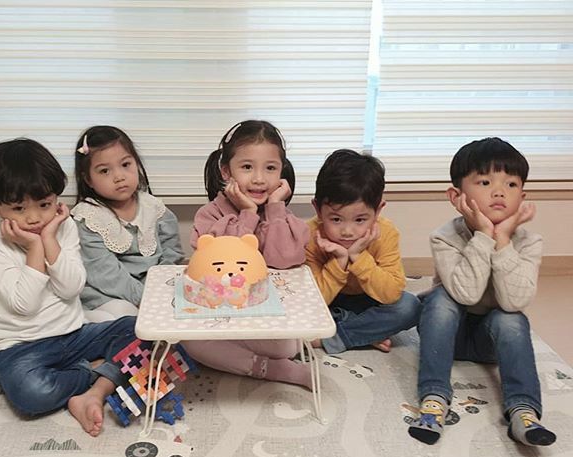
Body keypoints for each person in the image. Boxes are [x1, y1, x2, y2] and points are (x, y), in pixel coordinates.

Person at [0, 138, 140, 437]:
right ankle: (96, 370)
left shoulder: (63, 229)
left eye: (44, 204)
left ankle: (94, 392)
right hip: (22, 348)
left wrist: (50, 239)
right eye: (18, 208)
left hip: (74, 333)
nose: (35, 217)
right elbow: (23, 304)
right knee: (31, 394)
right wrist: (34, 247)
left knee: (142, 332)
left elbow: (70, 289)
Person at [408, 137, 556, 447]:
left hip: (491, 344)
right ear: (457, 195)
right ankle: (434, 399)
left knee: (511, 318)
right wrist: (483, 236)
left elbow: (514, 301)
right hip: (449, 336)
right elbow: (465, 294)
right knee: (440, 299)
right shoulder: (445, 237)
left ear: (523, 195)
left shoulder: (529, 242)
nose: (500, 191)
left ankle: (523, 410)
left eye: (511, 184)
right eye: (485, 181)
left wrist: (502, 239)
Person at [183, 120, 313, 389]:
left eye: (270, 168)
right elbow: (222, 267)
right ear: (226, 172)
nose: (259, 179)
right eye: (246, 167)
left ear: (282, 173)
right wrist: (248, 214)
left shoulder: (281, 216)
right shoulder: (210, 215)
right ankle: (268, 369)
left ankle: (263, 357)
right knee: (189, 341)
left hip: (265, 314)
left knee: (288, 345)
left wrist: (275, 208)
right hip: (218, 316)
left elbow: (284, 260)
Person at [306, 149, 421, 354]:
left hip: (369, 299)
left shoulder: (386, 233)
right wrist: (339, 260)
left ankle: (337, 335)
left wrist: (358, 256)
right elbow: (313, 299)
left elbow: (392, 293)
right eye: (336, 219)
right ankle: (365, 333)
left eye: (360, 220)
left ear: (378, 211)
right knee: (295, 312)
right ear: (317, 209)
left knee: (410, 306)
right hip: (328, 301)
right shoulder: (310, 234)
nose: (348, 232)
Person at [71, 126, 184, 322]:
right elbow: (105, 274)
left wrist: (159, 291)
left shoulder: (154, 208)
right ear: (88, 179)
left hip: (155, 288)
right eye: (105, 171)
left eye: (125, 164)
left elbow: (171, 254)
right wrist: (145, 299)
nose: (119, 176)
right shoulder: (89, 218)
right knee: (124, 315)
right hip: (108, 293)